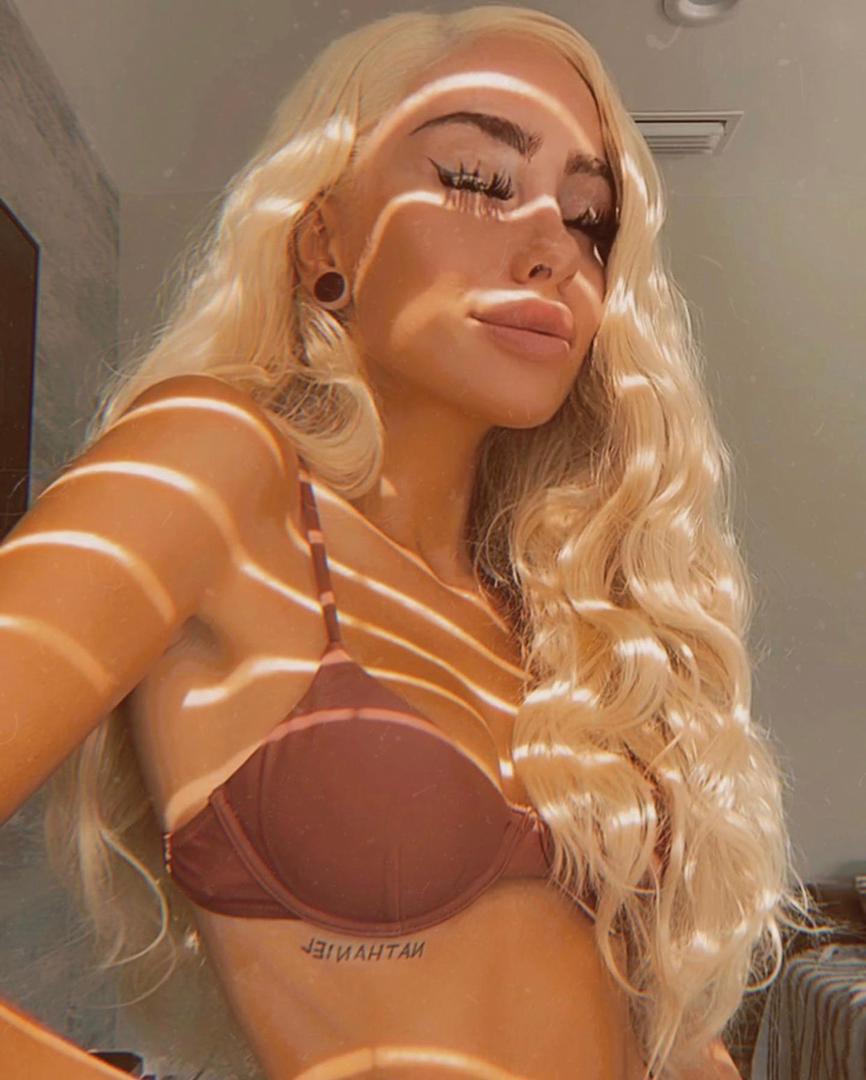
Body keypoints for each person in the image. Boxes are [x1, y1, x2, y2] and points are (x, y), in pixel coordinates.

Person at [0, 6, 822, 1078]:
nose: (552, 250)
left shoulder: (549, 612)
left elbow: (630, 1010)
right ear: (323, 238)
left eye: (589, 220)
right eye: (477, 179)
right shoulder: (213, 468)